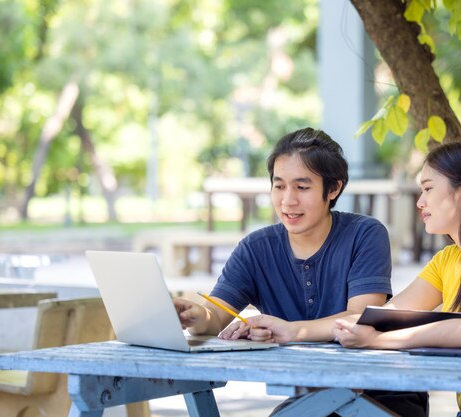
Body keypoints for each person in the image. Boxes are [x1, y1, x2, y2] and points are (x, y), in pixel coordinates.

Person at [174, 127, 428, 416]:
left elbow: (360, 318)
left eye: (302, 187)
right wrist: (194, 316)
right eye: (279, 186)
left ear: (333, 189)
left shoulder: (365, 234)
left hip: (382, 392)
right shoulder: (255, 249)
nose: (288, 200)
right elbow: (215, 317)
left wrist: (289, 330)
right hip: (313, 398)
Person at [334, 140, 461, 417]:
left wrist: (375, 341)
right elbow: (382, 316)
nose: (420, 202)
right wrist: (287, 330)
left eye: (428, 188)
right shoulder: (448, 259)